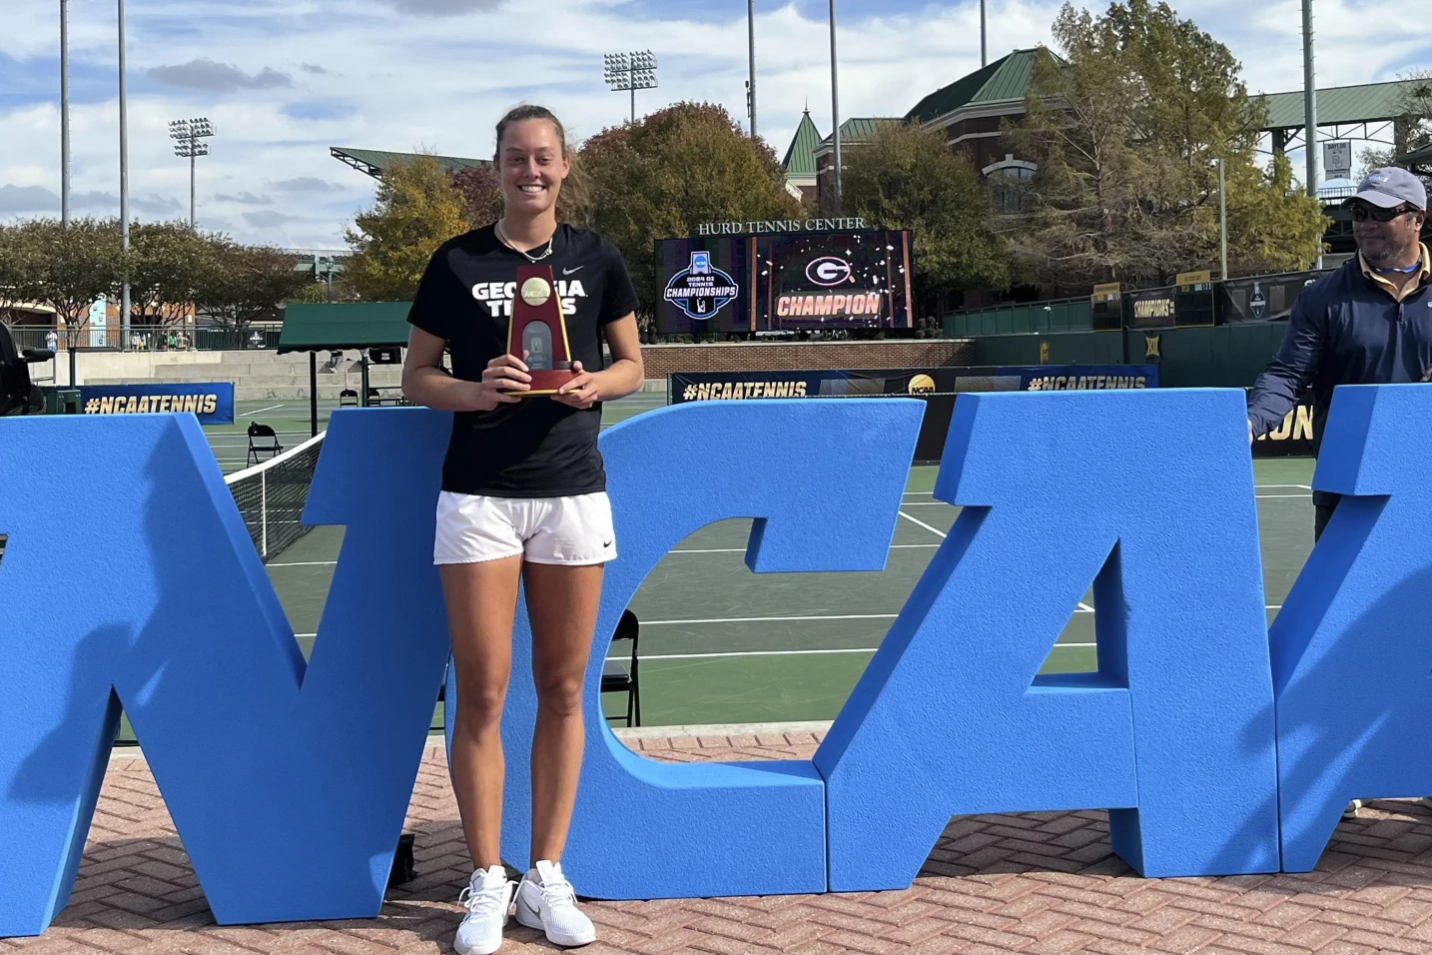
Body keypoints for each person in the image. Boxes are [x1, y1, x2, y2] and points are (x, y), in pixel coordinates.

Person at [401, 104, 643, 955]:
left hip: (573, 492)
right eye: (515, 158)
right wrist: (478, 389)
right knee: (484, 692)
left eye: (543, 158)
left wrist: (591, 386)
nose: (530, 171)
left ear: (564, 166)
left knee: (566, 687)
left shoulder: (597, 257)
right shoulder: (457, 261)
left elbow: (633, 366)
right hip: (479, 496)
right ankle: (485, 878)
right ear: (496, 167)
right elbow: (416, 376)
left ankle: (546, 872)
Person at [1247, 167, 1431, 819]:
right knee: (1342, 633)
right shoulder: (1324, 297)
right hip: (1350, 501)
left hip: (1428, 500)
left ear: (1415, 217)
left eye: (1379, 211)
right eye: (1357, 210)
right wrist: (1248, 420)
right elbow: (1287, 374)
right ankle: (1337, 775)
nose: (1364, 222)